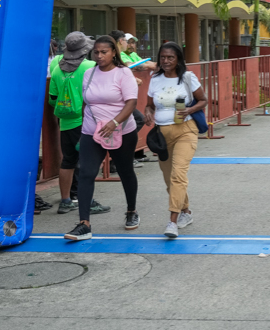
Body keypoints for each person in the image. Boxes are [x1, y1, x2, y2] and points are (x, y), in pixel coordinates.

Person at [64, 35, 141, 241]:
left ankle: (131, 211)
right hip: (92, 131)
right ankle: (84, 224)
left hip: (122, 130)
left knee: (125, 172)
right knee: (87, 173)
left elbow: (131, 103)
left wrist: (114, 123)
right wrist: (83, 131)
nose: (99, 56)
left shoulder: (124, 73)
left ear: (114, 52)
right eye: (96, 52)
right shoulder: (89, 74)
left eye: (103, 52)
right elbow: (86, 104)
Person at [145, 41, 208, 238]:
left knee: (178, 175)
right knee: (169, 180)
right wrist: (147, 112)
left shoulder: (188, 78)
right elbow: (149, 105)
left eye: (170, 57)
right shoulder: (155, 79)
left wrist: (189, 109)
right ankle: (185, 211)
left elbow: (203, 100)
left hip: (185, 130)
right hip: (162, 135)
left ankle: (172, 222)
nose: (165, 61)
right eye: (163, 57)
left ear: (178, 59)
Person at [48, 32, 110, 215]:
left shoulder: (56, 68)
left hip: (65, 121)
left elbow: (53, 98)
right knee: (87, 162)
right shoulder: (91, 67)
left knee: (67, 161)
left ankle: (66, 201)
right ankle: (88, 201)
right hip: (86, 121)